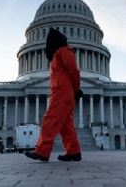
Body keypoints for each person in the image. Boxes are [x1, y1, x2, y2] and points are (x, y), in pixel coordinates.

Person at [25, 28, 83, 162]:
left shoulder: (64, 50)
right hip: (61, 92)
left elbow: (74, 70)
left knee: (49, 120)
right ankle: (74, 151)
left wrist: (77, 89)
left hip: (62, 93)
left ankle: (42, 151)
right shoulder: (58, 54)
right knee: (65, 125)